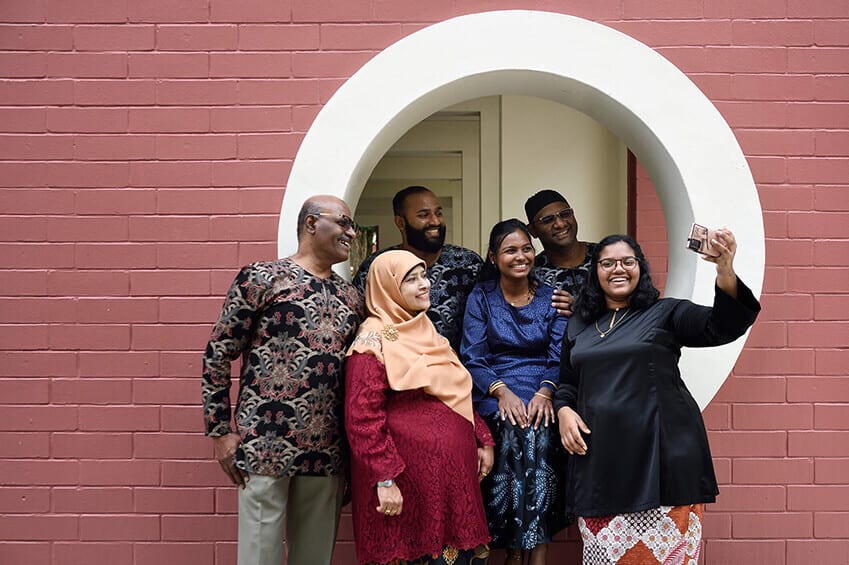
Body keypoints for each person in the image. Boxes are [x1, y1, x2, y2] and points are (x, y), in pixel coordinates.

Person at [554, 232, 761, 565]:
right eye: (607, 263)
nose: (617, 269)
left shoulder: (665, 313)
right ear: (595, 273)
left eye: (627, 261)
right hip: (602, 468)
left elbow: (723, 326)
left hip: (662, 465)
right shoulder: (580, 325)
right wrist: (563, 410)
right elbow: (567, 382)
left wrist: (724, 269)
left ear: (641, 269)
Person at [202, 195, 364, 565]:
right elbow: (218, 353)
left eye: (352, 226)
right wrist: (220, 431)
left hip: (327, 453)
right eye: (343, 223)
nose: (350, 233)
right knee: (258, 557)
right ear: (311, 223)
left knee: (314, 559)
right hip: (264, 445)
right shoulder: (261, 278)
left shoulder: (352, 297)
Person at [345, 249, 494, 565]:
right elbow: (361, 417)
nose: (424, 284)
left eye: (423, 276)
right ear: (388, 288)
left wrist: (482, 438)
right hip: (407, 486)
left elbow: (455, 390)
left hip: (451, 481)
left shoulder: (424, 330)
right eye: (410, 280)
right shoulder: (374, 338)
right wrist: (384, 479)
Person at [460, 219, 568, 565]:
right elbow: (472, 355)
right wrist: (501, 391)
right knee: (509, 431)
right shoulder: (482, 297)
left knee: (540, 431)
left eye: (526, 248)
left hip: (541, 386)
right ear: (493, 257)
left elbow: (559, 354)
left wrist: (546, 393)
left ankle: (532, 553)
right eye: (510, 250)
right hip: (494, 386)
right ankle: (512, 547)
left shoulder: (553, 297)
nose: (521, 256)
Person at [353, 185, 483, 351]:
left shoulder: (469, 263)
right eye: (423, 215)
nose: (435, 221)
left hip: (457, 368)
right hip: (398, 367)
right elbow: (362, 322)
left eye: (438, 213)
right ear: (400, 222)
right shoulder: (378, 266)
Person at [524, 189, 597, 315]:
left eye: (565, 214)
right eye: (547, 220)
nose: (560, 224)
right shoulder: (530, 275)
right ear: (532, 231)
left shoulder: (606, 257)